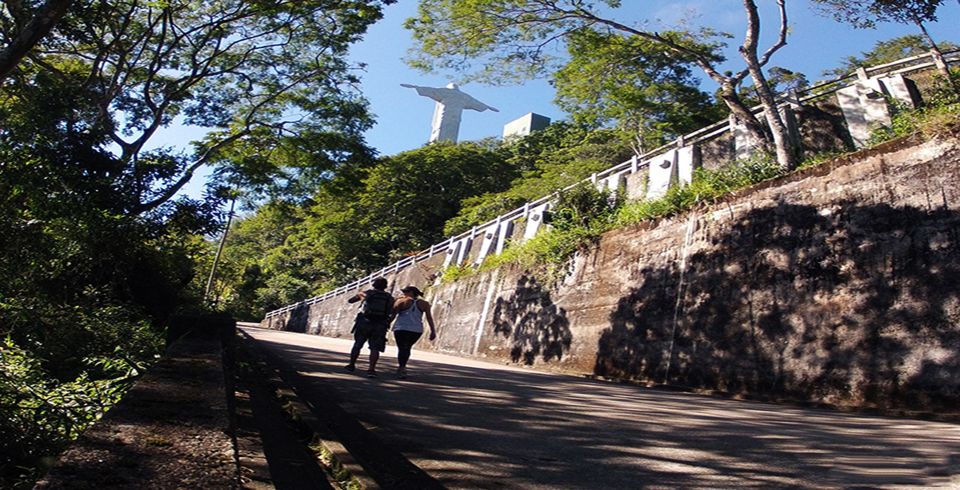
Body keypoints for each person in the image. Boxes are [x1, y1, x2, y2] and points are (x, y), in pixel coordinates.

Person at [344, 277, 394, 378]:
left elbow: (351, 301)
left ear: (374, 284)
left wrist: (360, 295)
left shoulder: (368, 293)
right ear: (385, 286)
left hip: (364, 322)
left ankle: (351, 365)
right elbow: (390, 311)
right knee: (375, 348)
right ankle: (371, 370)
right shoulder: (389, 297)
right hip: (380, 324)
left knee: (358, 344)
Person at [391, 285, 437, 379]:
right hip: (416, 330)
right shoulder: (425, 304)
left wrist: (386, 324)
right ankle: (402, 367)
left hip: (401, 328)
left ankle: (402, 368)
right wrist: (432, 331)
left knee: (402, 348)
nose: (404, 293)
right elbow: (429, 318)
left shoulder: (401, 301)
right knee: (407, 347)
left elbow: (393, 314)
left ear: (411, 292)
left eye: (405, 291)